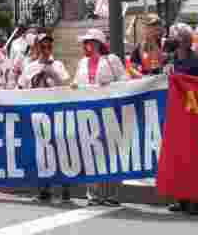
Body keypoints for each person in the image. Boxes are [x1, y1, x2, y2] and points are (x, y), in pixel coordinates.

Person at [72, 28, 126, 206]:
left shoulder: (111, 60)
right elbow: (76, 83)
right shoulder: (81, 63)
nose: (85, 45)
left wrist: (109, 87)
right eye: (84, 42)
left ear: (97, 44)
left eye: (88, 42)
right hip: (88, 113)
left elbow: (124, 82)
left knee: (111, 151)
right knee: (91, 151)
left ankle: (112, 194)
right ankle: (93, 194)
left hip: (109, 111)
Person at [18, 32, 71, 203]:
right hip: (37, 115)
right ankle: (44, 189)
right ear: (37, 47)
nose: (46, 50)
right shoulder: (30, 67)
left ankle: (65, 190)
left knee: (60, 151)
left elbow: (67, 85)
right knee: (41, 152)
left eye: (49, 46)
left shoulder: (58, 65)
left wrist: (52, 73)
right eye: (43, 46)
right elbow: (22, 88)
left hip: (56, 114)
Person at [166, 24, 198, 215]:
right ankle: (181, 198)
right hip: (175, 116)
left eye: (173, 37)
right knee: (179, 159)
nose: (169, 39)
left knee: (195, 160)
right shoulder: (171, 61)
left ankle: (197, 200)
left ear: (184, 40)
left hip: (194, 117)